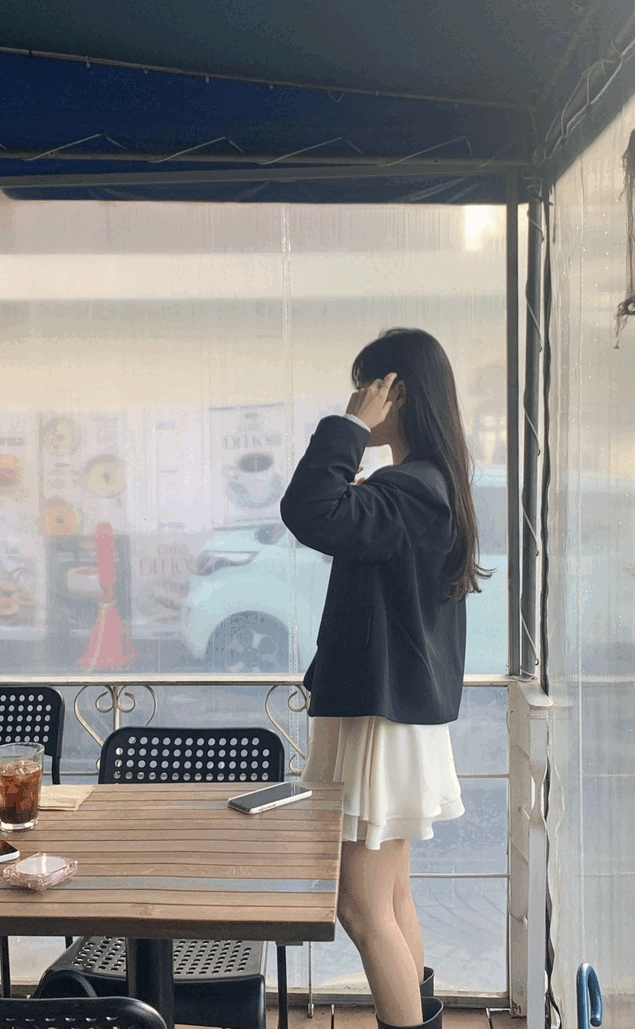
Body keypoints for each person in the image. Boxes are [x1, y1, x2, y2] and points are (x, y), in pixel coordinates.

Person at [280, 328, 489, 1029]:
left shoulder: (412, 489)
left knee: (361, 908)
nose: (358, 396)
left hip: (382, 713)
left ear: (396, 392)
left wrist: (347, 428)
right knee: (390, 900)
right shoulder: (426, 484)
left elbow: (308, 510)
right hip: (387, 709)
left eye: (366, 384)